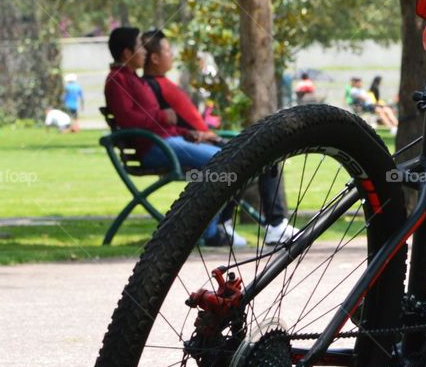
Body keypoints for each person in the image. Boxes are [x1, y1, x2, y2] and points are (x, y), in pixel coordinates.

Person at [141, 29, 297, 245]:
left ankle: (237, 223)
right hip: (186, 145)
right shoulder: (151, 87)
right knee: (250, 158)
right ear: (155, 57)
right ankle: (273, 224)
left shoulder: (161, 84)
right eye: (168, 50)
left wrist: (201, 134)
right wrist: (195, 135)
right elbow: (163, 125)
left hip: (200, 140)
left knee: (262, 154)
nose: (172, 55)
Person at [104, 26, 242, 247]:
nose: (145, 52)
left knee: (222, 161)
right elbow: (129, 120)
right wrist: (161, 115)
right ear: (127, 53)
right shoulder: (118, 80)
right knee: (220, 163)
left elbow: (160, 125)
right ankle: (210, 232)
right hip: (154, 148)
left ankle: (210, 229)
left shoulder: (134, 79)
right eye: (140, 47)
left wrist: (188, 133)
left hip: (166, 142)